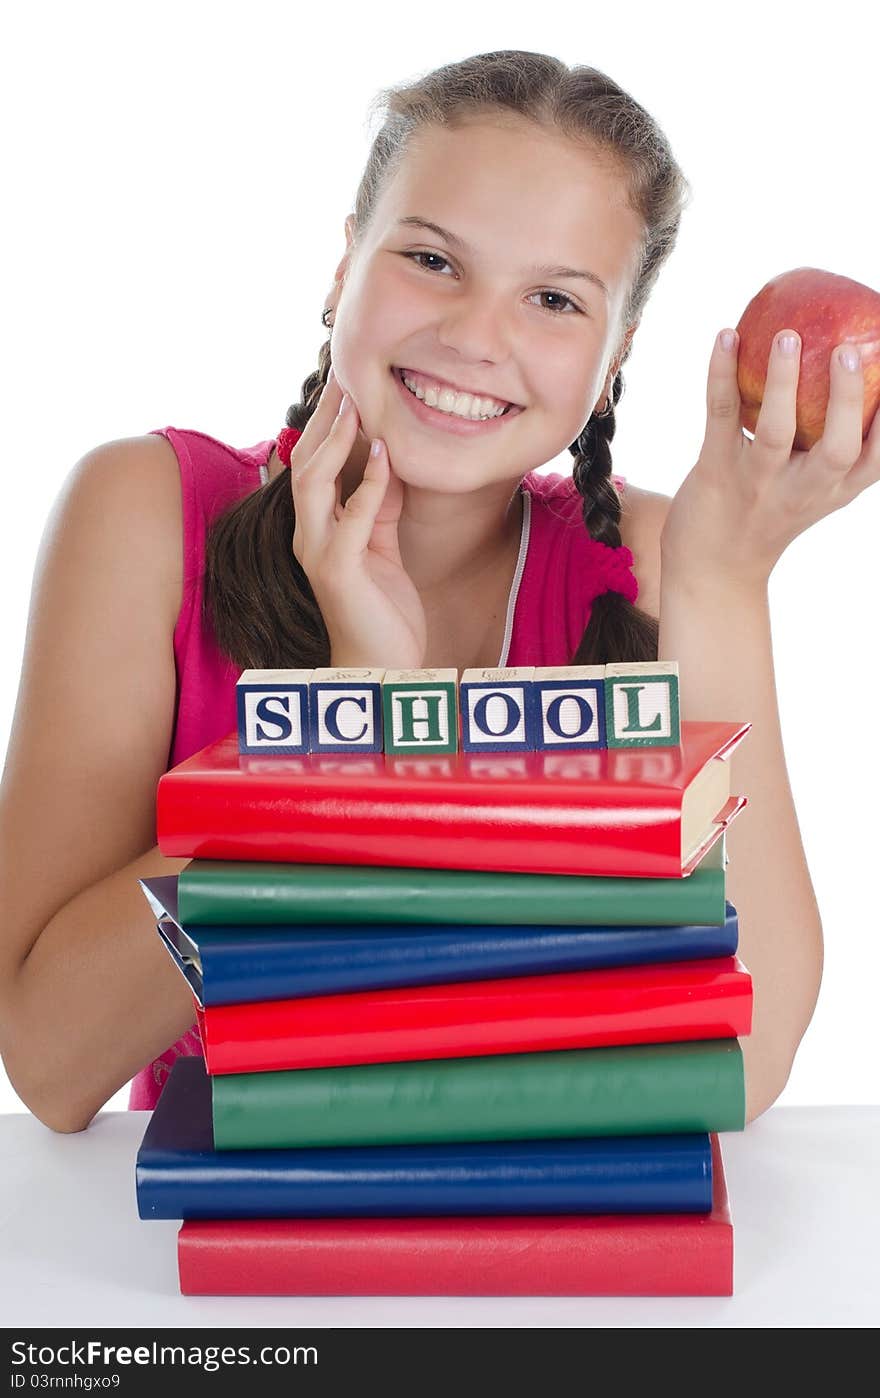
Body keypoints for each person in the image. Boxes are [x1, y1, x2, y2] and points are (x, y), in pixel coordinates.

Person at [1, 50, 876, 1132]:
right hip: (226, 1255)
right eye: (431, 259)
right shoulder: (148, 512)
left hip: (542, 1236)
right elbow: (49, 1061)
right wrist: (351, 726)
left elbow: (745, 1065)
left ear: (613, 362)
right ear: (342, 271)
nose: (474, 338)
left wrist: (727, 581)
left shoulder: (656, 558)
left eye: (554, 298)